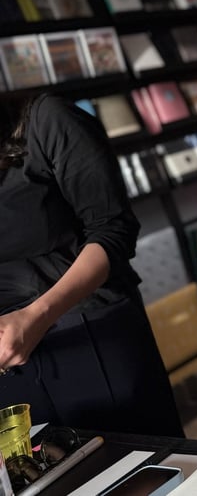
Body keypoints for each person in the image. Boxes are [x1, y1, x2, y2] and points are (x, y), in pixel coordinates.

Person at [0, 93, 184, 436]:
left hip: (89, 328)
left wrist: (37, 315)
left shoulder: (46, 119)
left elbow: (112, 230)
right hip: (8, 377)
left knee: (144, 464)